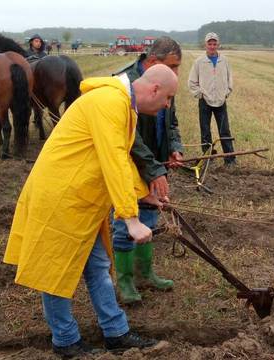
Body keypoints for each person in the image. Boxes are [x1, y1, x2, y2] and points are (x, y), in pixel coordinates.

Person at [3, 64, 178, 357]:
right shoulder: (110, 103)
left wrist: (143, 194)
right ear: (155, 89)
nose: (168, 105)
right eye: (169, 97)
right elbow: (113, 160)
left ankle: (116, 332)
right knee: (56, 271)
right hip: (61, 199)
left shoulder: (122, 105)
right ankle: (66, 341)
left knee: (97, 267)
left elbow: (118, 156)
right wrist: (130, 218)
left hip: (81, 200)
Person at [111, 36, 183, 304]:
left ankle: (145, 274)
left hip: (156, 163)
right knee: (125, 221)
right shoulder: (125, 85)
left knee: (149, 218)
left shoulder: (164, 84)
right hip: (132, 164)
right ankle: (126, 281)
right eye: (172, 66)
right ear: (153, 62)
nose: (175, 73)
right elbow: (130, 137)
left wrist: (174, 148)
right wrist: (153, 168)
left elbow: (171, 122)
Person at [188, 32, 236, 166]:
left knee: (224, 131)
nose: (212, 46)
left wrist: (227, 92)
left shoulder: (224, 61)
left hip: (221, 101)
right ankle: (208, 158)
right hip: (205, 101)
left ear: (218, 45)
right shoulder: (199, 62)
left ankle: (230, 159)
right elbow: (192, 82)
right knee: (205, 131)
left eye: (214, 44)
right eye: (210, 43)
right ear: (206, 45)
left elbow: (229, 79)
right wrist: (200, 94)